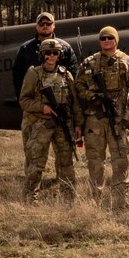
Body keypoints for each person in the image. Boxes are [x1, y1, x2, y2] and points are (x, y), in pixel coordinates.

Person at [76, 25, 129, 209]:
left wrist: (128, 117)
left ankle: (121, 201)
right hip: (95, 119)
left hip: (118, 119)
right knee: (95, 160)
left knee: (120, 159)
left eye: (110, 38)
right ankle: (94, 200)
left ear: (116, 40)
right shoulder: (89, 63)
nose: (107, 41)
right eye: (103, 38)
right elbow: (79, 86)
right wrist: (92, 97)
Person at [19, 38, 84, 202]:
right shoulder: (34, 74)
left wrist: (78, 124)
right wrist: (43, 107)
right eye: (48, 53)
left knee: (66, 162)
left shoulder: (65, 74)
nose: (52, 56)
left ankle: (68, 198)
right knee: (36, 161)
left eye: (55, 53)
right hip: (41, 124)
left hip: (63, 124)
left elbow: (74, 102)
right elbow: (24, 100)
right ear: (42, 54)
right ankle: (30, 198)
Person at [12, 11, 75, 101]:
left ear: (54, 26)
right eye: (41, 24)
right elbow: (17, 76)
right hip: (35, 102)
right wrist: (23, 99)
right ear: (36, 26)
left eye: (48, 23)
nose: (45, 26)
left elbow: (73, 74)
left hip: (61, 100)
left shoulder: (65, 47)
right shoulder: (26, 49)